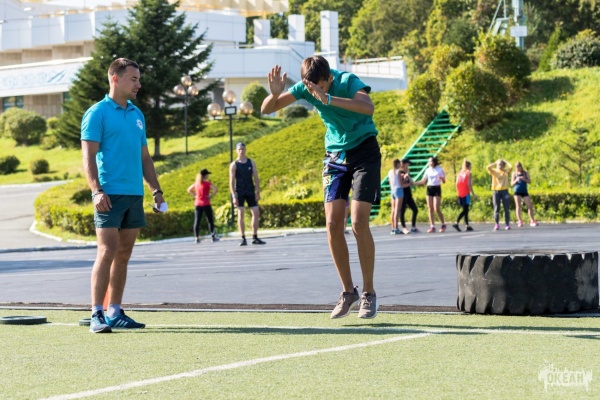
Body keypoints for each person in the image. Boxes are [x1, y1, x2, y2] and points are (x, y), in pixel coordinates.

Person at [261, 56, 381, 319]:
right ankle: (348, 292)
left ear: (329, 78)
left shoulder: (347, 81)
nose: (315, 91)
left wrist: (328, 99)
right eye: (311, 87)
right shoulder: (306, 86)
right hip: (335, 156)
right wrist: (275, 94)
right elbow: (267, 109)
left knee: (359, 223)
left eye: (321, 86)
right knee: (332, 224)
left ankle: (369, 293)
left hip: (364, 152)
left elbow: (368, 107)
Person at [81, 58, 165, 333]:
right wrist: (96, 191)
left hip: (134, 194)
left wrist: (156, 190)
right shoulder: (97, 113)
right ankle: (96, 313)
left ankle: (115, 311)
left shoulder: (137, 114)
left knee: (124, 253)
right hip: (109, 194)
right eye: (134, 79)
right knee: (106, 251)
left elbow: (145, 158)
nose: (138, 85)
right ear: (115, 79)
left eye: (139, 79)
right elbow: (88, 157)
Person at [229, 142, 266, 246]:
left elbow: (256, 177)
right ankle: (243, 238)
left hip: (250, 190)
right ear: (236, 151)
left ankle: (255, 237)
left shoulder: (251, 162)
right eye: (239, 149)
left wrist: (257, 191)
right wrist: (234, 195)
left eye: (243, 149)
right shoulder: (234, 164)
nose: (241, 151)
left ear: (245, 150)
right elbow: (231, 181)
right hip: (239, 191)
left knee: (256, 212)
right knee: (241, 213)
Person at [187, 168, 219, 243]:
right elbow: (215, 189)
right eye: (207, 174)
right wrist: (211, 195)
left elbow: (189, 190)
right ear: (205, 175)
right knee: (210, 220)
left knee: (197, 221)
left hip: (197, 203)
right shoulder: (207, 183)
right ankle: (213, 236)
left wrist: (195, 195)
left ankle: (196, 237)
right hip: (206, 203)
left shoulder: (196, 183)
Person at [416, 156, 446, 233]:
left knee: (436, 208)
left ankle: (443, 224)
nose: (430, 163)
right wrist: (414, 183)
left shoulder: (439, 169)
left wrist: (442, 179)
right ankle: (432, 226)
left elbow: (444, 181)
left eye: (431, 161)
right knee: (430, 208)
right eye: (429, 161)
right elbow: (423, 181)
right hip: (429, 188)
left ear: (434, 162)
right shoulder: (427, 170)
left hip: (436, 188)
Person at [486, 159, 513, 230]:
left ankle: (507, 224)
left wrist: (505, 161)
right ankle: (496, 224)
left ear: (503, 165)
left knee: (506, 208)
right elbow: (488, 167)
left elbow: (511, 167)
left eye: (501, 164)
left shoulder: (505, 171)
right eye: (499, 164)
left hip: (505, 191)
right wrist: (495, 163)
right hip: (496, 191)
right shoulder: (494, 171)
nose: (500, 165)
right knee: (496, 208)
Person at [511, 161, 538, 227]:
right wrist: (516, 180)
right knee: (518, 206)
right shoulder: (514, 173)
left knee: (529, 206)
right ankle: (519, 220)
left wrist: (524, 179)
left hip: (524, 191)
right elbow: (511, 184)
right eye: (517, 167)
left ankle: (532, 220)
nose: (518, 169)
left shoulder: (525, 173)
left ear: (521, 167)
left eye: (519, 167)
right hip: (517, 191)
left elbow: (529, 181)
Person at [453, 159, 477, 232]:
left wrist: (458, 192)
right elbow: (469, 184)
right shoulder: (468, 173)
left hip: (460, 193)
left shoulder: (460, 173)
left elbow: (456, 184)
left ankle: (467, 225)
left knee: (465, 209)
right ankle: (456, 222)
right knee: (465, 210)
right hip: (466, 193)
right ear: (469, 166)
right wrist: (473, 194)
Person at [399, 158, 419, 234]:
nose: (409, 165)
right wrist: (405, 178)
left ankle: (413, 226)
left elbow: (412, 183)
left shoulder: (407, 172)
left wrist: (408, 176)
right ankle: (404, 227)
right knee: (402, 211)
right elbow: (401, 184)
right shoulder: (399, 172)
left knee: (415, 209)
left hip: (408, 193)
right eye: (408, 163)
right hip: (402, 193)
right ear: (404, 164)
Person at [387, 159, 403, 235]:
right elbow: (400, 183)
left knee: (393, 210)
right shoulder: (398, 171)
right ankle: (396, 228)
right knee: (397, 210)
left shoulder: (390, 172)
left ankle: (393, 228)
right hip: (398, 189)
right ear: (398, 164)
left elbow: (390, 182)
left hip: (392, 190)